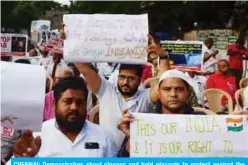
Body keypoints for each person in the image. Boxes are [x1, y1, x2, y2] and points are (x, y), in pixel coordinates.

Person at [74, 35, 170, 149]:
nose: (125, 82)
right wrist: (70, 40)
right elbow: (84, 69)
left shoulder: (146, 97)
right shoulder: (106, 90)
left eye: (131, 78)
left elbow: (166, 81)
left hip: (137, 153)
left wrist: (163, 56)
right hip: (106, 153)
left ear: (140, 80)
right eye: (122, 77)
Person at [10, 77, 117, 158]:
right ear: (54, 104)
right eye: (68, 101)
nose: (74, 107)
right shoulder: (37, 136)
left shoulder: (105, 137)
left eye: (80, 102)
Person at [116, 69, 206, 157]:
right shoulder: (142, 122)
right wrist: (132, 138)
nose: (173, 94)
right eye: (167, 89)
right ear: (158, 94)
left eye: (179, 89)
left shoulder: (202, 120)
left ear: (188, 94)